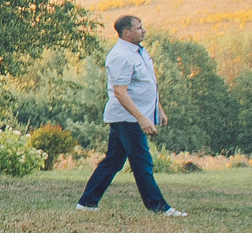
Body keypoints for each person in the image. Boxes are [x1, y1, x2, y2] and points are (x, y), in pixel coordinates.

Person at [76, 13, 187, 216]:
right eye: (138, 28)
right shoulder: (121, 56)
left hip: (134, 117)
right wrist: (142, 118)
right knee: (142, 162)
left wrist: (158, 109)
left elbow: (147, 84)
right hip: (126, 118)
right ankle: (159, 207)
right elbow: (120, 91)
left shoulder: (139, 52)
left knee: (113, 161)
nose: (143, 30)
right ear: (126, 33)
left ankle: (87, 202)